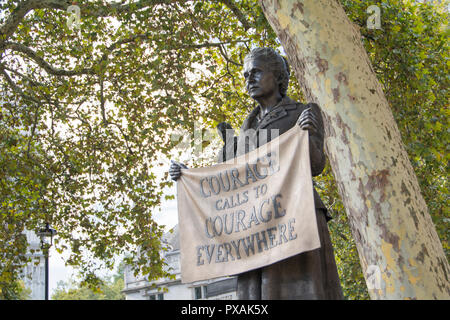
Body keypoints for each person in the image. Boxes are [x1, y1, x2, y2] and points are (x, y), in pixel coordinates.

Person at [170, 47, 343, 299]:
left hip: (294, 218)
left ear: (278, 76)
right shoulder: (245, 128)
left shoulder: (301, 112)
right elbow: (224, 176)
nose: (248, 79)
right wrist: (187, 176)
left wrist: (305, 136)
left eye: (256, 72)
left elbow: (317, 166)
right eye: (245, 75)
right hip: (255, 227)